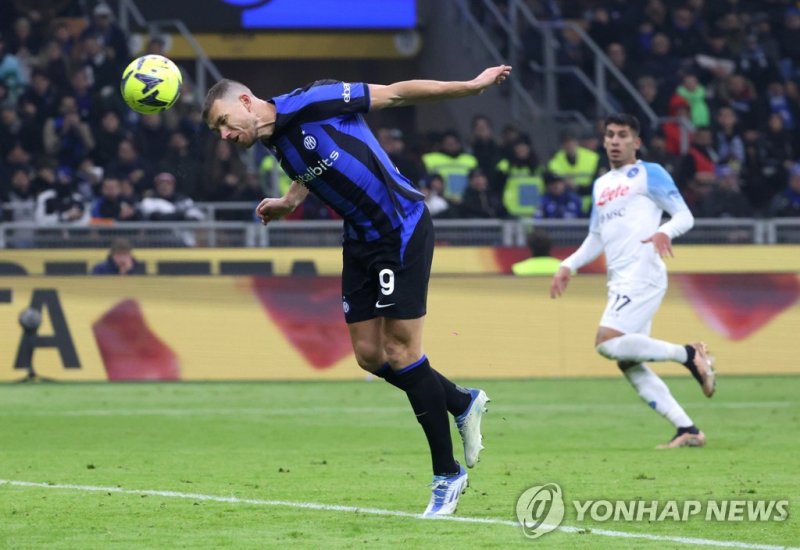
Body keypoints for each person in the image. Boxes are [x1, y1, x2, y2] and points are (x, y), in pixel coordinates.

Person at [202, 65, 512, 516]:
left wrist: (470, 86)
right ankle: (461, 401)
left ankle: (447, 475)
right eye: (217, 130)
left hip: (400, 228)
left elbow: (397, 94)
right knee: (370, 355)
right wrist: (290, 201)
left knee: (402, 351)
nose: (224, 135)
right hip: (360, 241)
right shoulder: (273, 139)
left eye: (223, 122)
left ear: (245, 102)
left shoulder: (315, 101)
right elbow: (310, 168)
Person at [549, 113, 716, 449]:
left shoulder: (649, 173)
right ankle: (687, 429)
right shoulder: (601, 184)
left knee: (606, 342)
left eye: (622, 135)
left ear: (636, 142)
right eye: (610, 134)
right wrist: (568, 264)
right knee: (627, 360)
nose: (615, 140)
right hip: (619, 278)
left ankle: (689, 354)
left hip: (643, 273)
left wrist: (664, 231)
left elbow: (684, 215)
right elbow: (596, 236)